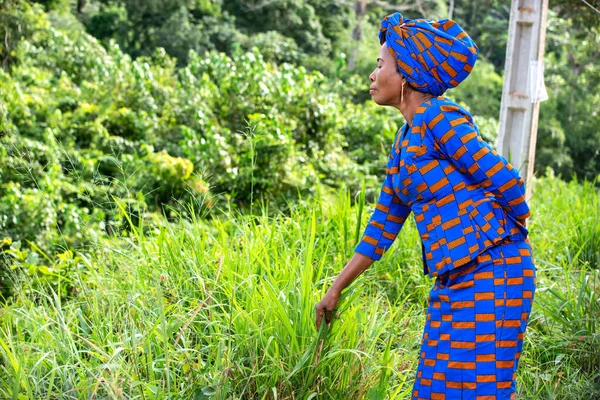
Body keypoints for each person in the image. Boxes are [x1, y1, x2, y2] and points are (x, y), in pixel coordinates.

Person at [315, 12, 536, 400]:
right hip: (452, 278)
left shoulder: (440, 119)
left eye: (380, 64)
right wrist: (335, 288)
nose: (372, 74)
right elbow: (382, 227)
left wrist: (503, 238)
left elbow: (505, 181)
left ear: (407, 74)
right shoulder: (403, 142)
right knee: (436, 388)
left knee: (484, 388)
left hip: (493, 272)